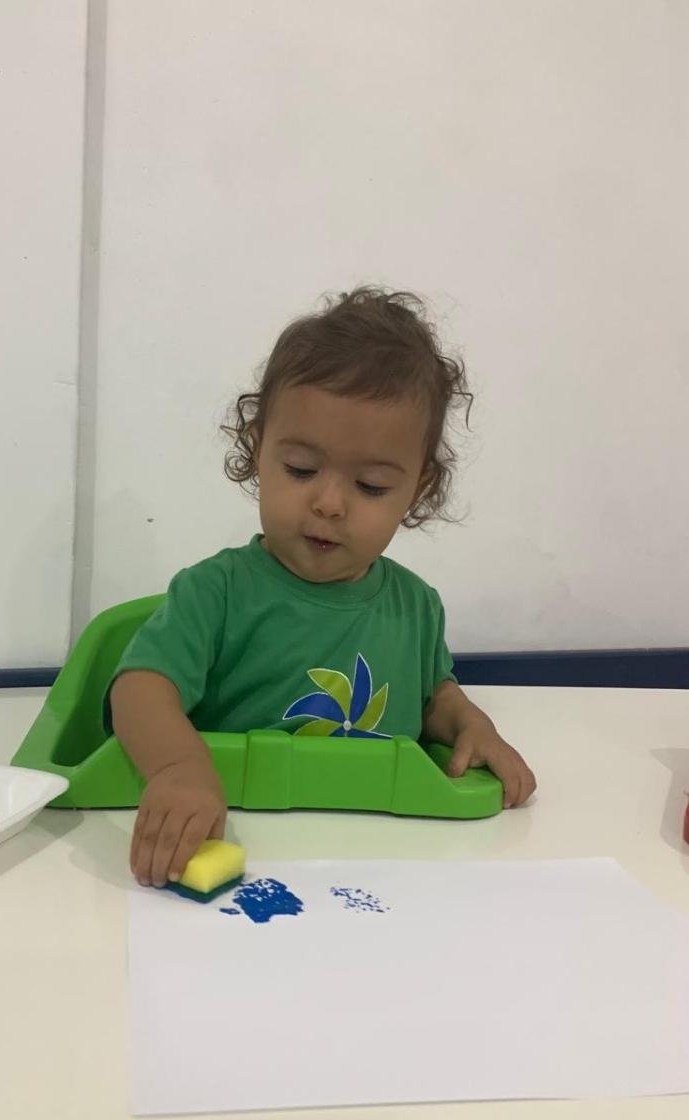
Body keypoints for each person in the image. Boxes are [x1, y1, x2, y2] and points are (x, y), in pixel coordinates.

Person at [108, 287, 537, 887]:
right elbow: (138, 689)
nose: (330, 503)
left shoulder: (416, 606)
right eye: (301, 469)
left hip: (381, 858)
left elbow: (431, 697)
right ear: (257, 450)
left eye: (371, 486)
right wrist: (177, 768)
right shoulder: (215, 592)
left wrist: (470, 725)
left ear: (417, 488)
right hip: (242, 841)